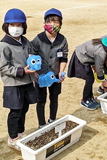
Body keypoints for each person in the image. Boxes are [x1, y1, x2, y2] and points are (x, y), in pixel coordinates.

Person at [0, 8, 37, 151]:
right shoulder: (4, 45)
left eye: (19, 25)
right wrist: (22, 71)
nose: (16, 28)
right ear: (6, 26)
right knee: (15, 111)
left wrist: (34, 72)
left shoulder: (25, 41)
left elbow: (30, 57)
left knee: (24, 108)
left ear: (24, 26)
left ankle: (21, 133)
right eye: (12, 24)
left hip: (27, 82)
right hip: (13, 84)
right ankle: (13, 137)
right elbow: (3, 67)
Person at [31, 8, 68, 129]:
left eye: (56, 22)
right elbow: (31, 56)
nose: (53, 25)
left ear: (60, 24)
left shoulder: (62, 40)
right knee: (41, 100)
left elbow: (63, 58)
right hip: (40, 76)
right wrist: (35, 74)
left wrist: (61, 71)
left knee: (54, 97)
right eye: (50, 22)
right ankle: (41, 124)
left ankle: (52, 120)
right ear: (44, 24)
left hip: (55, 75)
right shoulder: (38, 39)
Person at [67, 37, 107, 110]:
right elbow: (99, 68)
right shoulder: (101, 52)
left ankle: (91, 97)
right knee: (89, 79)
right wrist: (104, 81)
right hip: (81, 56)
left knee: (90, 79)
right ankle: (85, 100)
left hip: (89, 56)